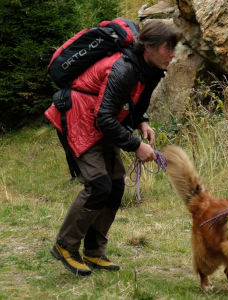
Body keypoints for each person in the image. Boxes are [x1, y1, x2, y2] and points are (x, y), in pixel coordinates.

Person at [45, 20, 182, 276]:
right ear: (148, 47)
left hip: (100, 119)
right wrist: (136, 146)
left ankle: (94, 252)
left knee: (116, 185)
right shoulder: (124, 68)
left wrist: (142, 121)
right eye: (167, 48)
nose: (173, 54)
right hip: (78, 117)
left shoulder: (150, 68)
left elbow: (133, 102)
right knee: (99, 185)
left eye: (175, 47)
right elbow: (104, 117)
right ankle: (66, 245)